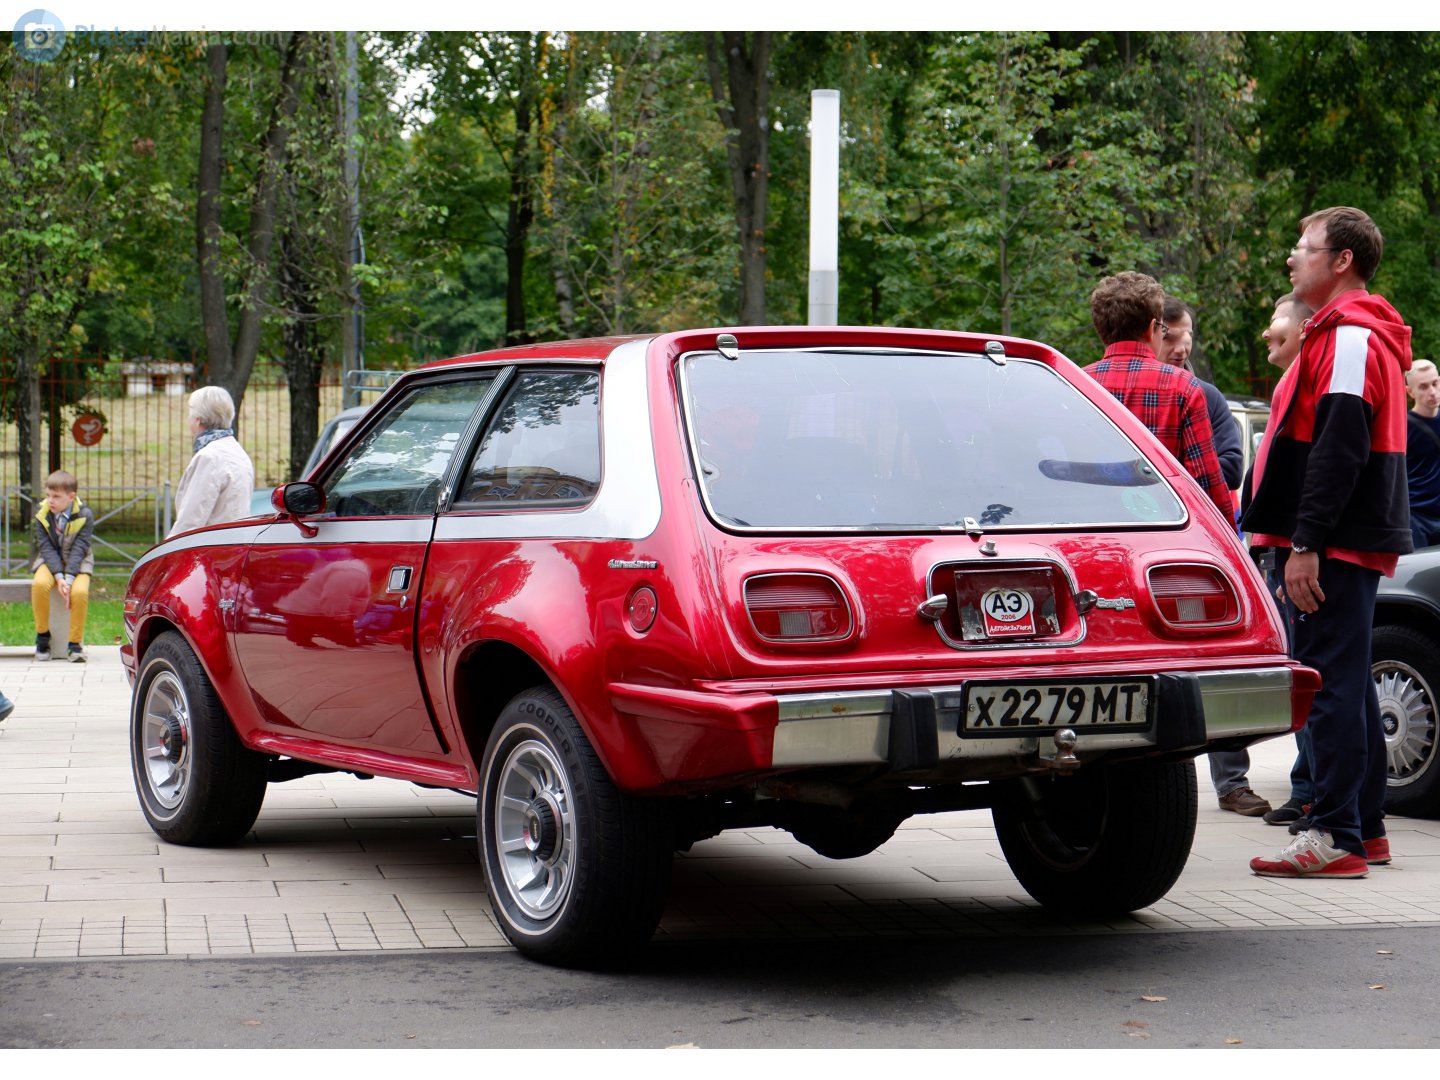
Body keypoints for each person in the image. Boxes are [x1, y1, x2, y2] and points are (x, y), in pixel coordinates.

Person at [1243, 206, 1412, 879]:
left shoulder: (1348, 336)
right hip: (1343, 536)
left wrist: (1306, 540)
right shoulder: (1347, 334)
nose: (1292, 257)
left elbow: (1340, 445)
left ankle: (1333, 832)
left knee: (1331, 684)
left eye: (1303, 247)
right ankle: (1362, 828)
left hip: (1333, 539)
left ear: (1341, 260)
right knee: (1345, 679)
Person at [1155, 297, 1269, 816]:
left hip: (1195, 547)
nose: (1181, 348)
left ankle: (1232, 781)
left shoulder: (1205, 395)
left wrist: (1157, 480)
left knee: (1215, 656)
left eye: (1188, 336)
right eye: (1172, 336)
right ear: (1153, 333)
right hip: (1136, 549)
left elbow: (1229, 464)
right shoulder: (1105, 388)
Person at [1082, 272, 1233, 524]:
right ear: (1153, 328)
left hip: (1095, 531)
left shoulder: (1076, 385)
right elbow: (1205, 484)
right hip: (1164, 533)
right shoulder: (1182, 387)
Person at [1255, 292, 1321, 829]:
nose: (1265, 333)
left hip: (1295, 549)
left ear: (1302, 327)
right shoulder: (1287, 380)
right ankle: (1308, 787)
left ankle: (1317, 795)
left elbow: (1304, 472)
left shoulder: (1302, 380)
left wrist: (1296, 546)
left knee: (1312, 672)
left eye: (1275, 321)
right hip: (1283, 547)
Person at [169, 385, 256, 537]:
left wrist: (164, 556)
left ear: (198, 420)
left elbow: (191, 520)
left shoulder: (210, 457)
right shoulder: (239, 453)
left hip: (211, 550)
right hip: (234, 546)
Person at [31, 469, 94, 663]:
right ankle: (42, 637)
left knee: (80, 593)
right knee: (40, 585)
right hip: (49, 562)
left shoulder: (84, 515)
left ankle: (74, 645)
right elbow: (46, 548)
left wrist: (68, 579)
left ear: (71, 496)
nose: (50, 500)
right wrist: (59, 576)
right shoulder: (42, 514)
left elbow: (80, 548)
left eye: (56, 496)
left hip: (79, 562)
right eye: (48, 495)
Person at [1403, 359, 1440, 550]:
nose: (1432, 392)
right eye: (1423, 387)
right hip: (1416, 519)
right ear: (1410, 391)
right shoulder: (1402, 427)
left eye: (1435, 384)